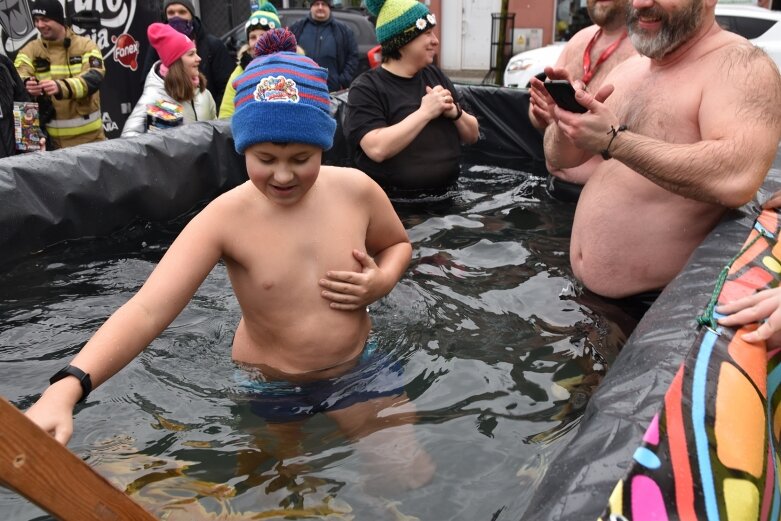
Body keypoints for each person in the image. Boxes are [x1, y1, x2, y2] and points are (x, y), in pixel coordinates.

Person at [26, 28, 431, 489]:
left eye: (301, 158)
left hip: (359, 364)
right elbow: (147, 308)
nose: (282, 174)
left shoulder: (356, 191)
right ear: (242, 148)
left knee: (409, 473)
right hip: (271, 381)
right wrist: (68, 384)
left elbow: (397, 245)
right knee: (282, 483)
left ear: (323, 145)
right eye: (264, 157)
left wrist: (383, 281)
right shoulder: (225, 218)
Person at [543, 0, 781, 306]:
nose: (640, 3)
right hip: (579, 296)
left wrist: (615, 142)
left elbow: (737, 177)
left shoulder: (743, 67)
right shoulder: (629, 70)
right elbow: (560, 160)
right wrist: (564, 122)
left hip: (653, 311)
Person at [345, 0, 479, 198]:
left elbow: (473, 134)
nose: (435, 40)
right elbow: (376, 148)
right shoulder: (366, 88)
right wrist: (425, 112)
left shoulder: (436, 76)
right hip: (396, 206)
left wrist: (456, 113)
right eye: (427, 33)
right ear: (402, 40)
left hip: (449, 200)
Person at [528, 0, 635, 191]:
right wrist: (543, 113)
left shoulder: (646, 50)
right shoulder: (579, 39)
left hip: (606, 196)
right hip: (552, 187)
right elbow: (539, 119)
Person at [14, 0, 105, 149]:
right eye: (36, 20)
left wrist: (60, 87)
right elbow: (17, 75)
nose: (40, 25)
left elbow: (95, 77)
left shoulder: (86, 46)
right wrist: (26, 84)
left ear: (59, 20)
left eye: (45, 20)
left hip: (91, 143)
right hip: (50, 146)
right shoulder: (29, 50)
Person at [122, 23, 216, 137]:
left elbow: (213, 135)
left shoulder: (203, 93)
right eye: (191, 54)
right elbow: (130, 139)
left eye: (196, 53)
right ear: (176, 62)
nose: (199, 58)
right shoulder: (162, 101)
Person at [140, 0, 233, 108]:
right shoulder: (157, 48)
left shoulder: (213, 45)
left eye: (182, 12)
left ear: (192, 15)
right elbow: (148, 84)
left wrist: (212, 118)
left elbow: (226, 88)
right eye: (171, 13)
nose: (176, 17)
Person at [218, 3, 282, 119]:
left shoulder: (290, 66)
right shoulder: (240, 71)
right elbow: (226, 114)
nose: (258, 42)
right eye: (253, 37)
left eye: (263, 36)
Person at [289, 0, 359, 92]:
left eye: (324, 4)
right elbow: (287, 53)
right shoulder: (297, 27)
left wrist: (342, 81)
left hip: (331, 91)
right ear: (311, 7)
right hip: (302, 89)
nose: (320, 7)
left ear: (329, 7)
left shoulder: (343, 30)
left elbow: (352, 57)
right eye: (317, 4)